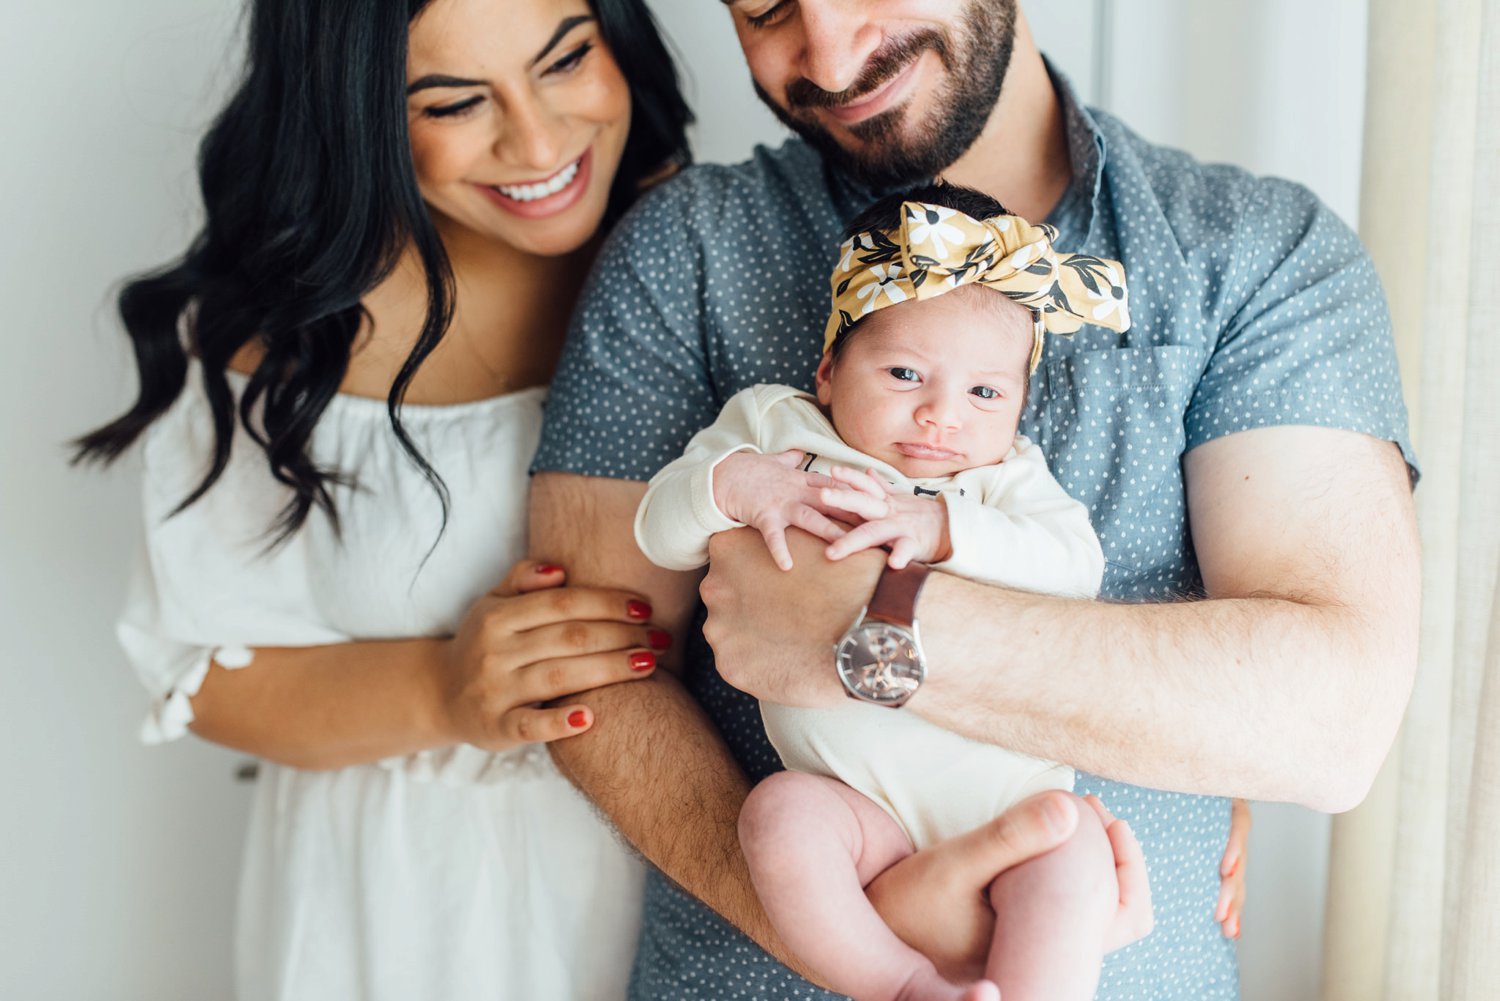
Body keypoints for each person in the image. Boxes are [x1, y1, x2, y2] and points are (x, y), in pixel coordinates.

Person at [528, 0, 1418, 997]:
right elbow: (592, 665)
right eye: (766, 7)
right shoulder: (688, 249)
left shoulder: (1257, 253)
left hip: (1078, 911)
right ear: (828, 369)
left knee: (1060, 848)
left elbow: (1330, 723)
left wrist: (871, 630)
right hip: (764, 955)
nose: (828, 52)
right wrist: (889, 932)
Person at [74, 0, 690, 997]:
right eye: (452, 102)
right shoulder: (276, 335)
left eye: (566, 59)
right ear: (353, 112)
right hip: (391, 919)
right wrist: (445, 688)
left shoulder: (717, 255)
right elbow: (202, 667)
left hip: (685, 890)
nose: (537, 140)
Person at [636, 185, 1144, 1001]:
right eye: (905, 373)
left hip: (1007, 799)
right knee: (778, 816)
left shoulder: (1006, 478)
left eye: (985, 393)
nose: (942, 417)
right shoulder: (776, 428)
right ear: (830, 370)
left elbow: (1074, 565)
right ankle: (901, 985)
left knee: (1074, 851)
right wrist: (733, 485)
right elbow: (657, 527)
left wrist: (944, 527)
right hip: (855, 807)